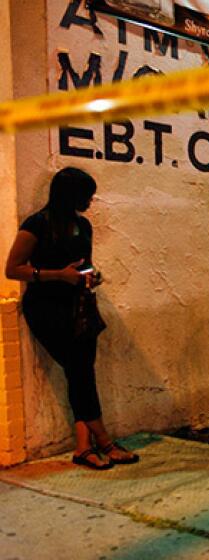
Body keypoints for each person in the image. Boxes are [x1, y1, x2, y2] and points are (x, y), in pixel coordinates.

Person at [5, 167, 139, 469]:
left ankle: (83, 447)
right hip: (46, 308)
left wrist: (91, 276)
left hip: (79, 308)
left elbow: (83, 264)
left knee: (80, 372)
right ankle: (104, 441)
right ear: (70, 196)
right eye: (86, 195)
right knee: (80, 371)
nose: (91, 200)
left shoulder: (83, 226)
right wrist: (58, 276)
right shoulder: (37, 224)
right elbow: (13, 269)